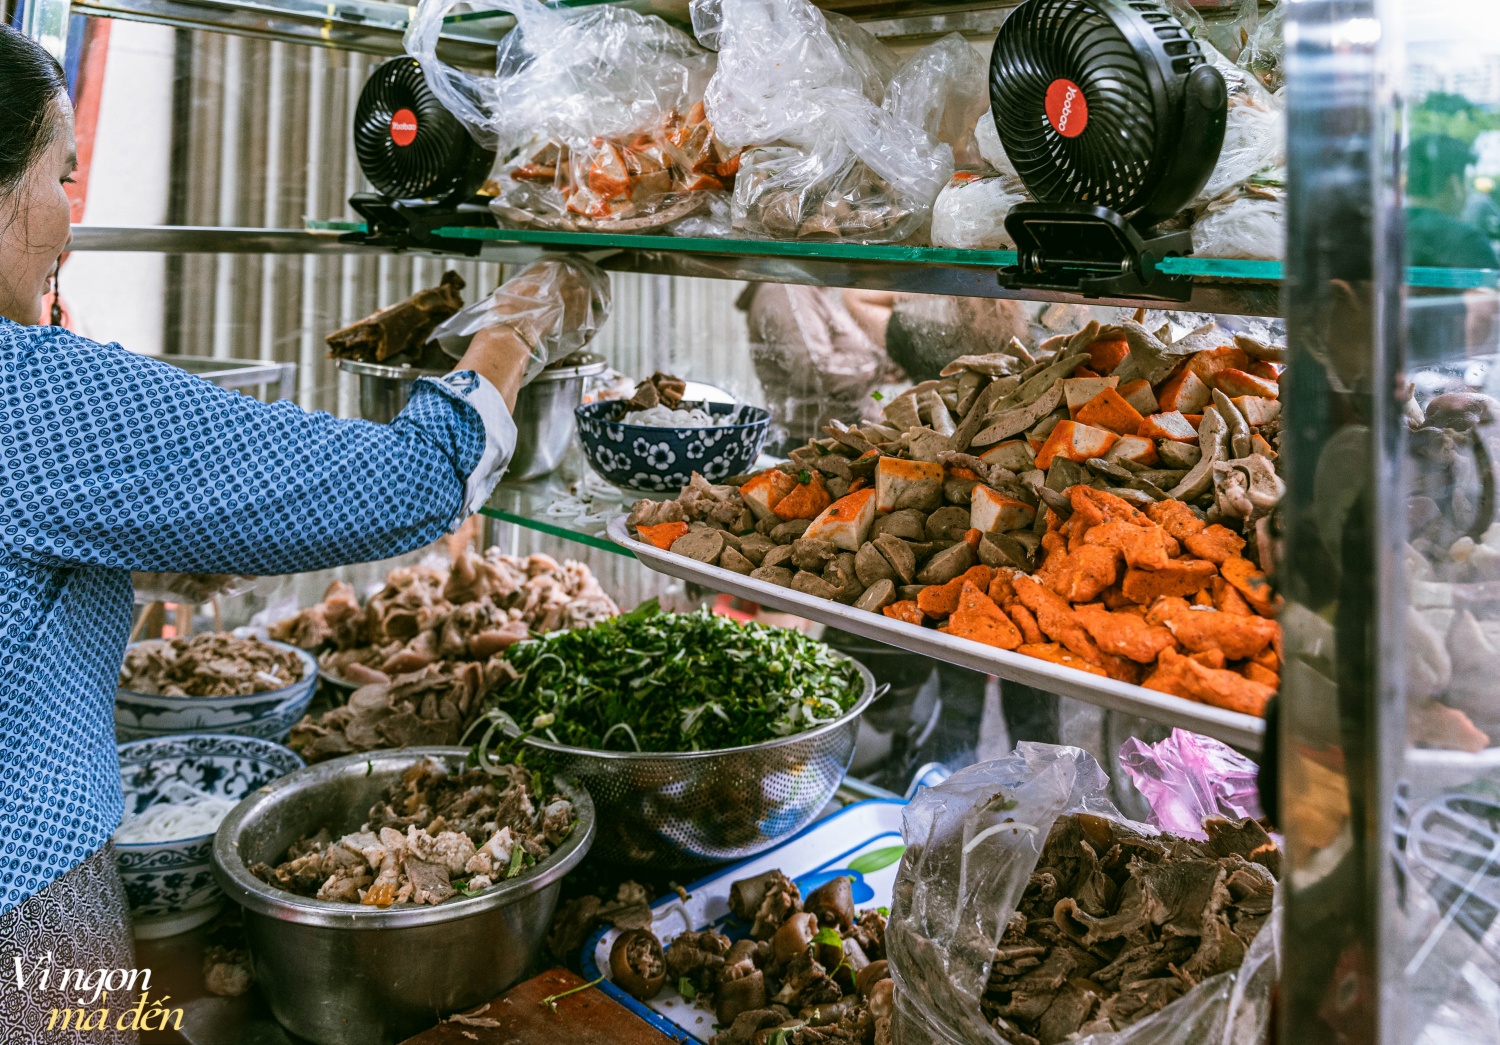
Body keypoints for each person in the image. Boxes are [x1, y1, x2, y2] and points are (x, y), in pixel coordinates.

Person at [0, 26, 592, 1042]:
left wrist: (131, 553)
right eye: (63, 175)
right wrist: (520, 326)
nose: (71, 219)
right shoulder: (29, 392)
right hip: (26, 912)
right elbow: (410, 481)